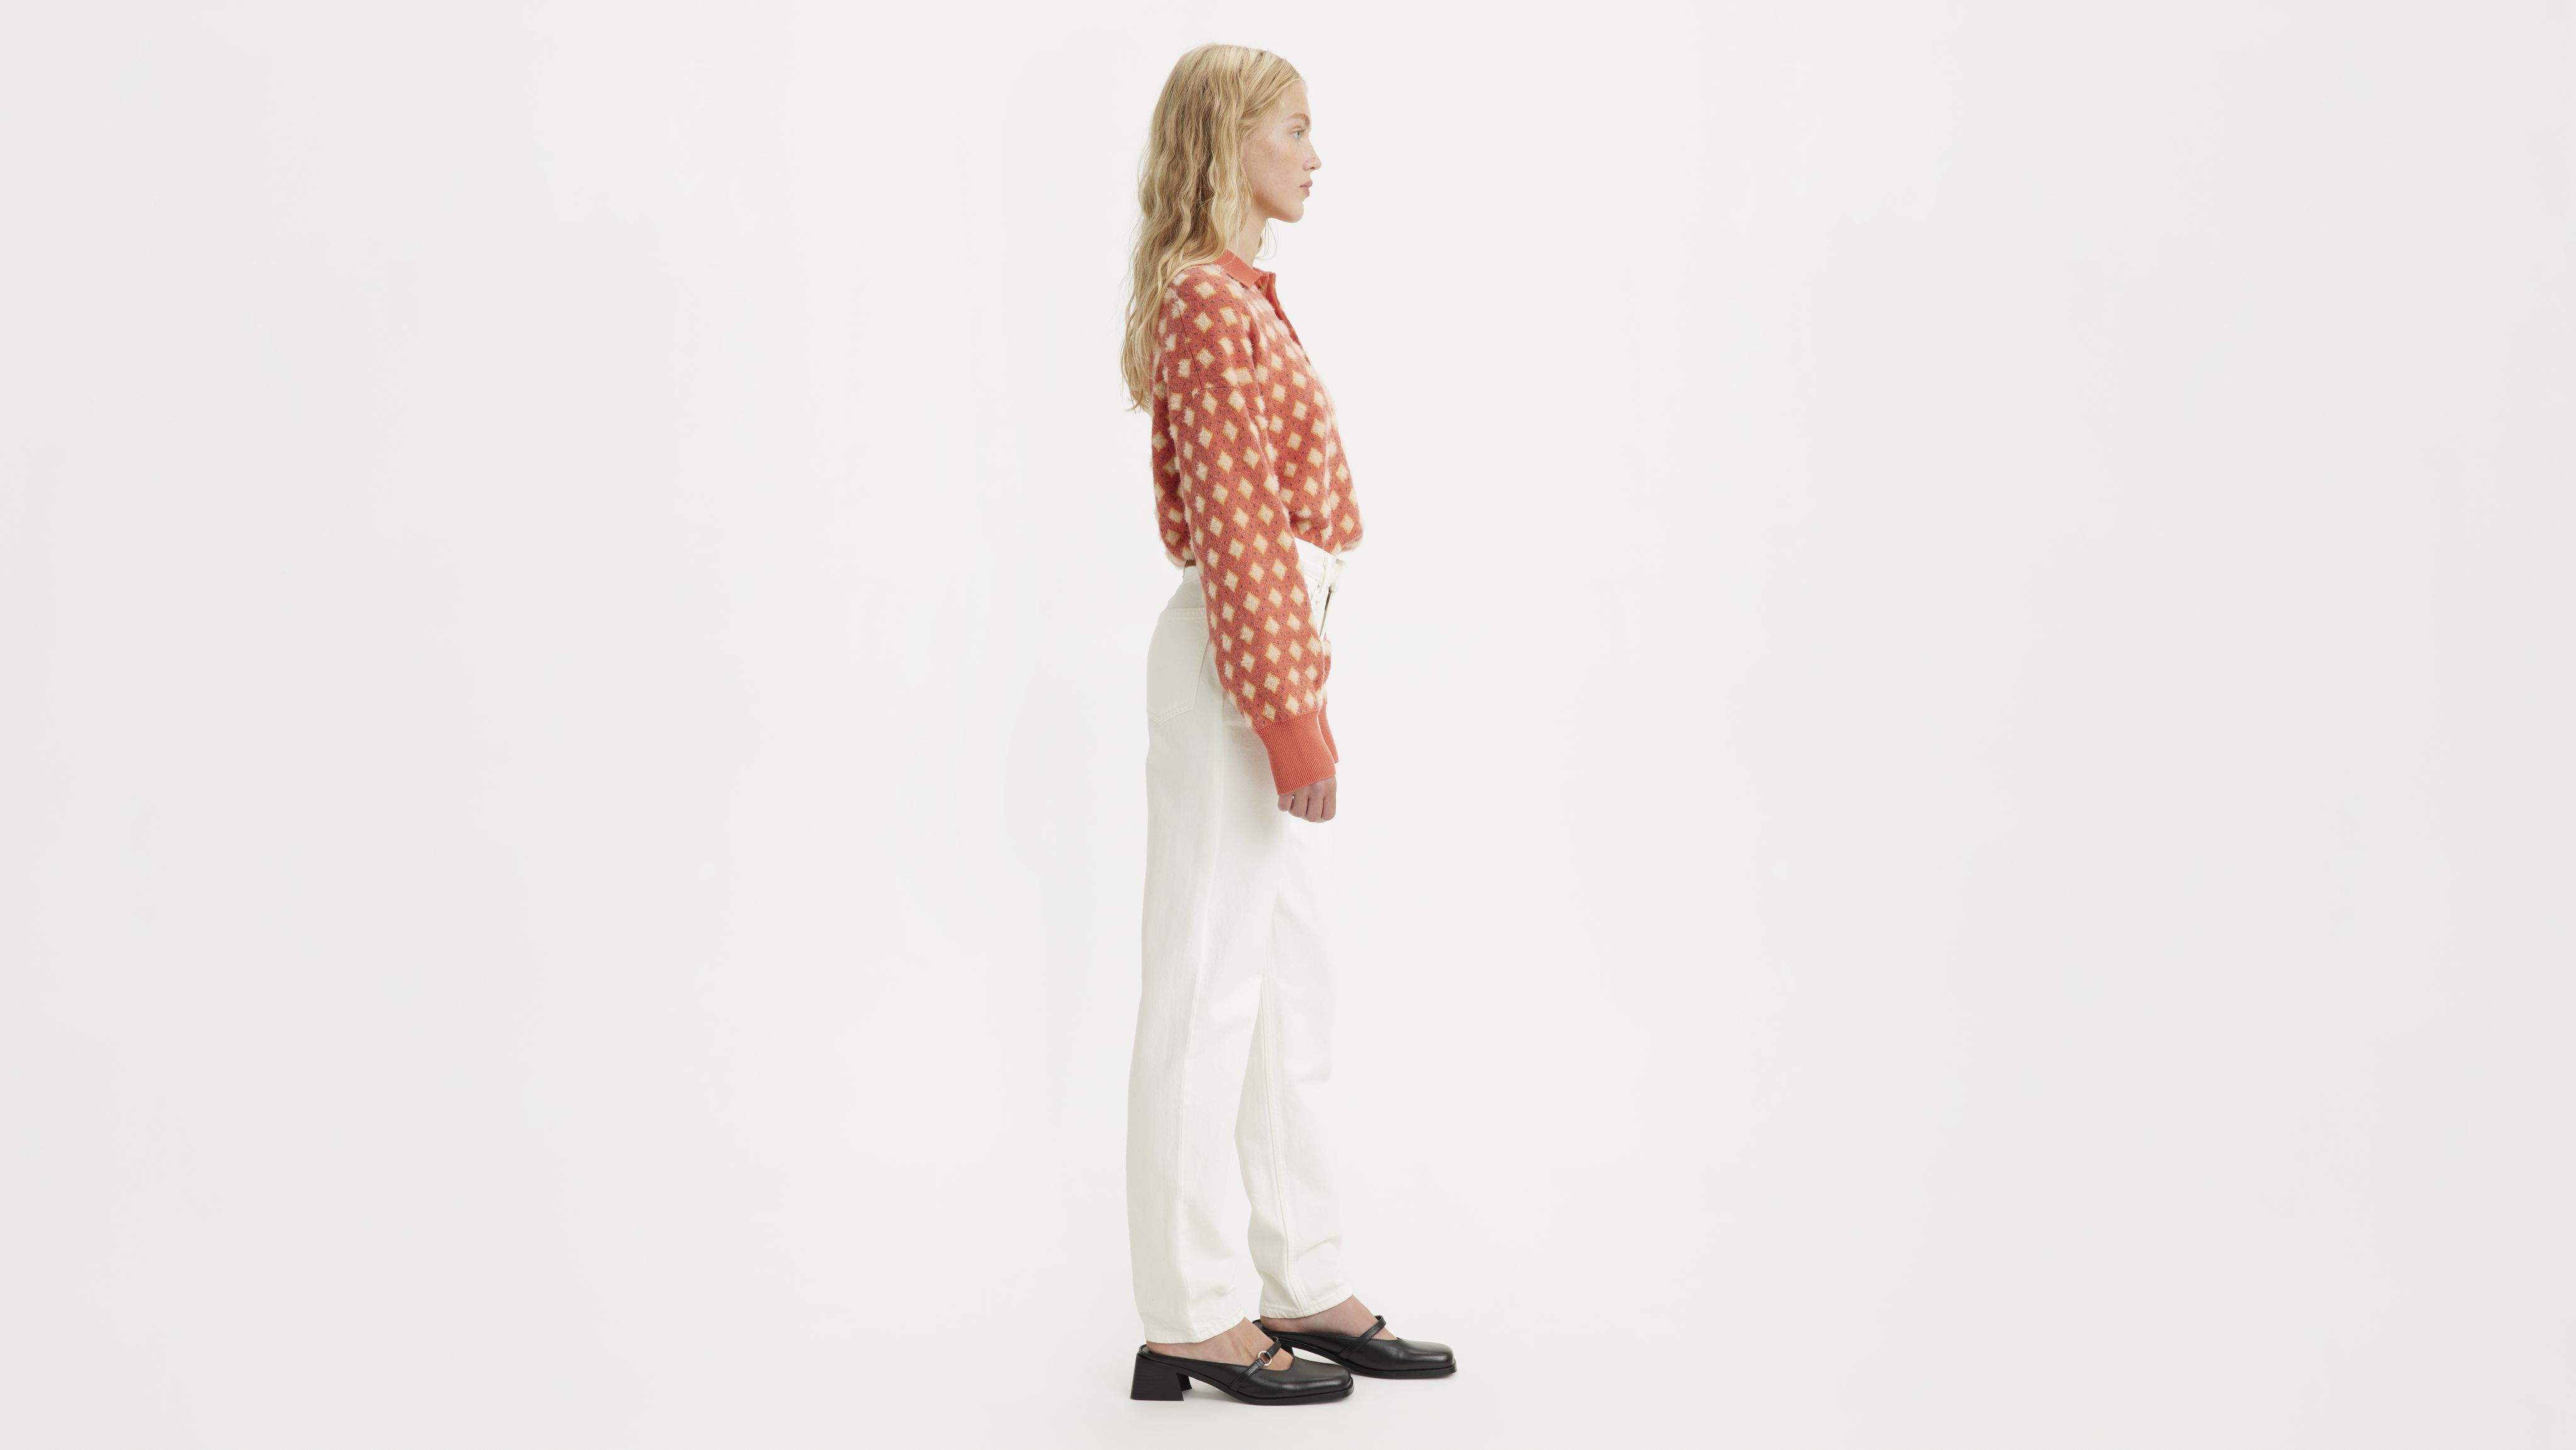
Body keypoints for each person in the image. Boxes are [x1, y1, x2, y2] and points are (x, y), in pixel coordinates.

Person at [1114, 44, 1457, 1407]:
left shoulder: (1243, 293)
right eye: (1295, 130)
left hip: (1276, 645)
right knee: (1208, 982)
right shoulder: (1207, 304)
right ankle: (1188, 1310)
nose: (1316, 156)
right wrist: (1291, 720)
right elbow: (1243, 525)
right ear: (1230, 140)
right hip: (1241, 654)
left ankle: (1299, 1272)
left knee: (1287, 984)